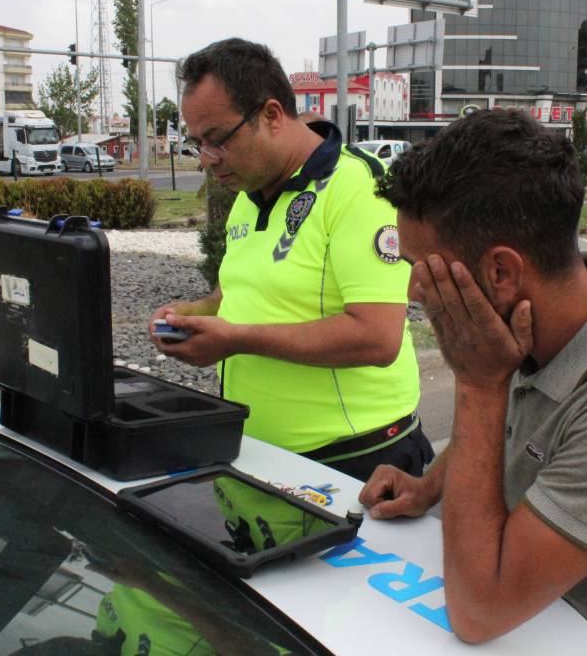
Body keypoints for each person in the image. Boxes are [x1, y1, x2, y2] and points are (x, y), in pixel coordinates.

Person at [358, 109, 587, 655]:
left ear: (501, 272)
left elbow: (479, 611)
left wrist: (479, 383)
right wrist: (429, 486)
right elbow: (516, 431)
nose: (415, 291)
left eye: (425, 268)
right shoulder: (542, 311)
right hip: (536, 626)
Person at [150, 38, 431, 481]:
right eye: (196, 143)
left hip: (357, 461)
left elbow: (378, 338)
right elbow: (240, 293)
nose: (207, 160)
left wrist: (236, 339)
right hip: (261, 454)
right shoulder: (249, 191)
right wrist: (192, 314)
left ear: (272, 115)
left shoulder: (357, 187)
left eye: (218, 140)